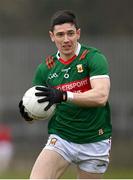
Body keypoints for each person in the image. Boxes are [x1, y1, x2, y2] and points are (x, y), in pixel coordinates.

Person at [19, 10, 112, 179]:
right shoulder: (45, 68)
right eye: (60, 35)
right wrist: (28, 114)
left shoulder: (93, 57)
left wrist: (63, 96)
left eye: (70, 33)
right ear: (52, 36)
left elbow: (101, 96)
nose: (66, 40)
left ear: (78, 33)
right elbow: (39, 106)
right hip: (62, 139)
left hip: (95, 140)